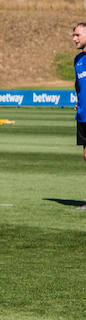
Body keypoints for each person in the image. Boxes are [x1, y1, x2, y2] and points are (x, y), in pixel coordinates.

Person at [73, 21, 86, 207]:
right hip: (83, 115)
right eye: (73, 35)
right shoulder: (78, 60)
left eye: (78, 35)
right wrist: (79, 101)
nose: (74, 38)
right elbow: (78, 85)